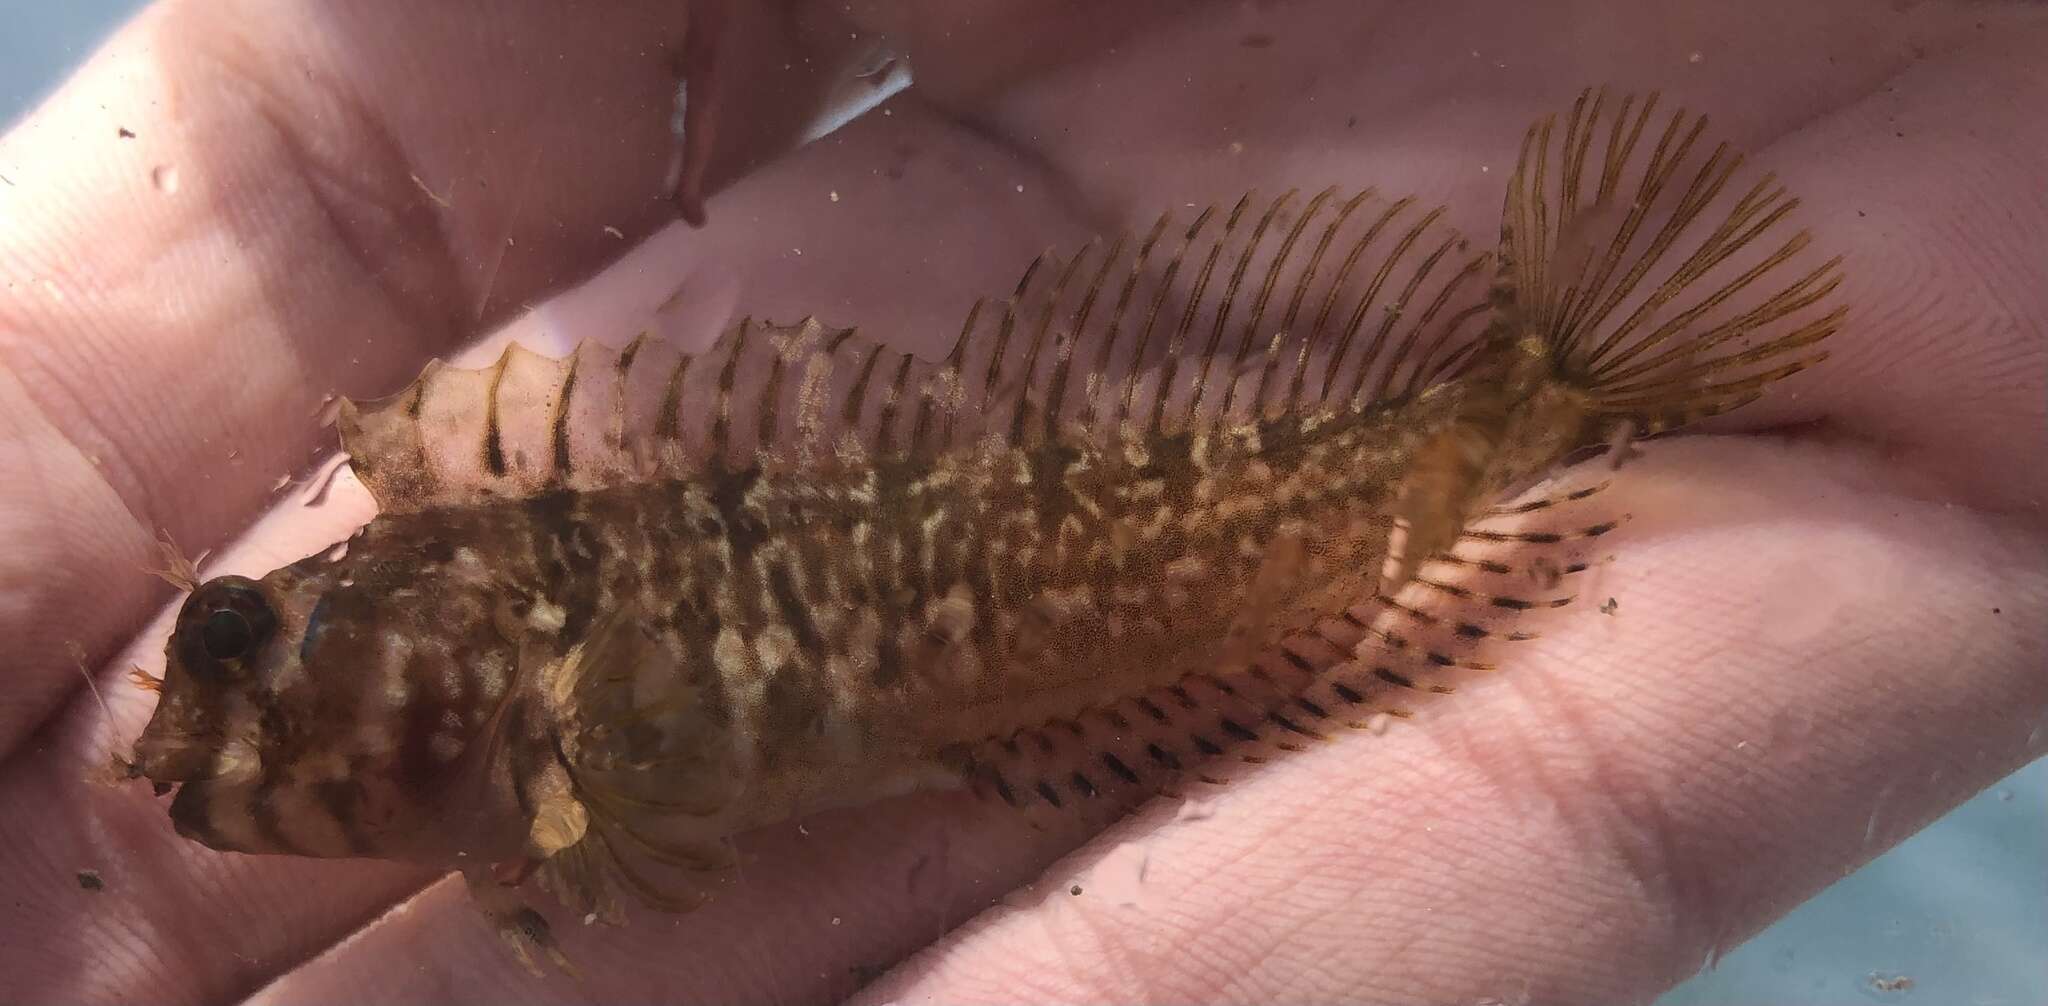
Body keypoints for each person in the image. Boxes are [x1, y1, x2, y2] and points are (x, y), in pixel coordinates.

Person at [1, 2, 2041, 1003]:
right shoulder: (513, 666)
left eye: (243, 652)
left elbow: (645, 810)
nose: (199, 741)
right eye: (240, 657)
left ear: (462, 658)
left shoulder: (555, 702)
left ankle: (1540, 405)